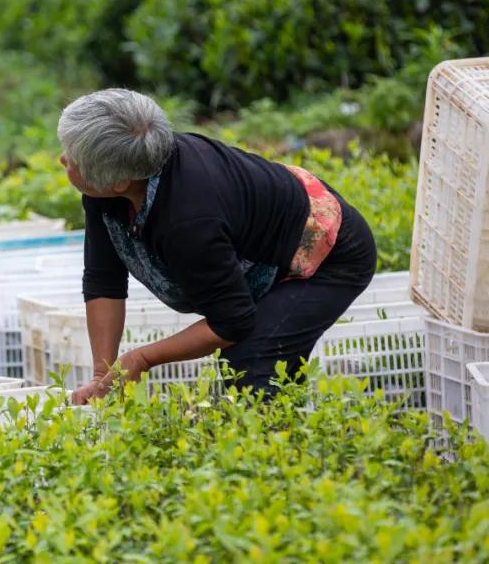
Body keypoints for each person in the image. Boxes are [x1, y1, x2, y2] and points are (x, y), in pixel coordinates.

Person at [60, 89, 377, 405]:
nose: (63, 160)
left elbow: (232, 321)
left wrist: (141, 359)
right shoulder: (111, 186)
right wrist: (103, 378)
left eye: (72, 158)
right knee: (255, 361)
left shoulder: (187, 217)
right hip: (261, 251)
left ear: (118, 181)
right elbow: (105, 280)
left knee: (253, 359)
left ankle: (281, 449)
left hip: (330, 255)